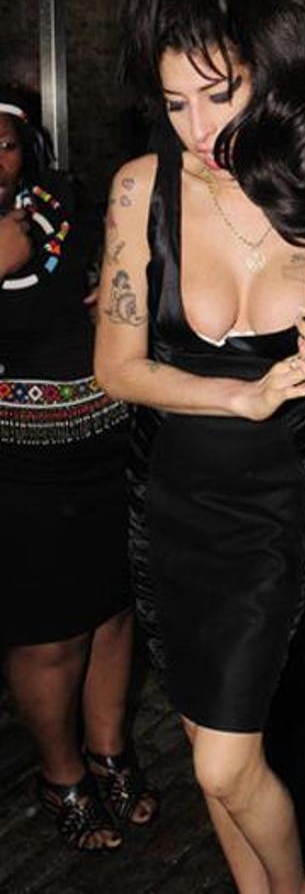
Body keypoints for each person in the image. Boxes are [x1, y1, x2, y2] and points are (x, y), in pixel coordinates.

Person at [94, 0, 305, 894]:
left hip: (273, 522)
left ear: (268, 72)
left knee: (221, 762)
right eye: (175, 104)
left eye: (219, 94)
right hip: (167, 516)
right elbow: (118, 366)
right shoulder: (140, 191)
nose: (199, 131)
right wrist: (238, 396)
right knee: (210, 741)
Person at [0, 90, 157, 852]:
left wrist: (110, 294)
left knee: (112, 613)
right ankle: (60, 773)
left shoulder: (62, 200)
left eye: (3, 144)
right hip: (22, 469)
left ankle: (109, 752)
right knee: (48, 635)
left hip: (107, 445)